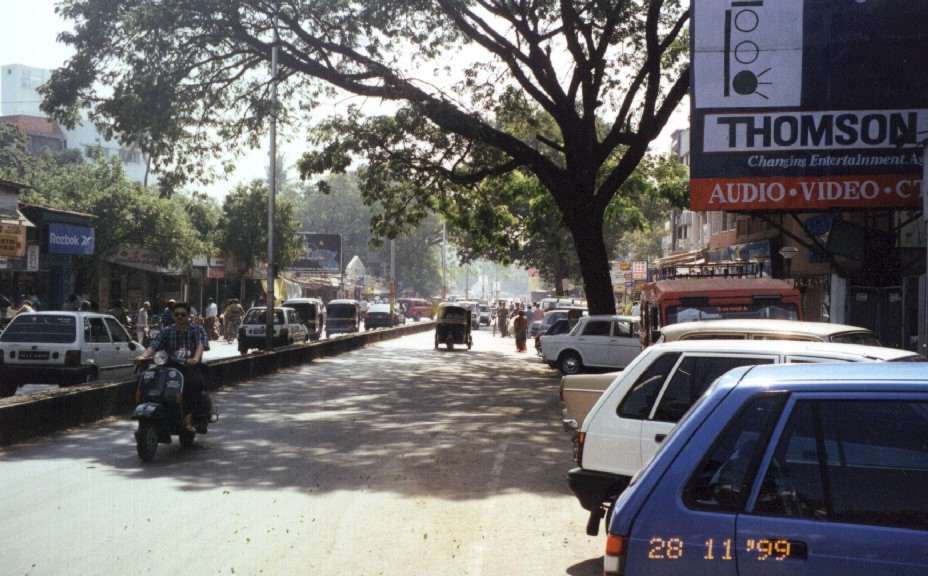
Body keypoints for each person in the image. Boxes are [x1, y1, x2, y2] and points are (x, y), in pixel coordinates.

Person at [135, 302, 208, 433]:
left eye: (183, 314)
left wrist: (195, 358)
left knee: (194, 383)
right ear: (173, 316)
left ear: (188, 316)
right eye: (177, 314)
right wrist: (143, 356)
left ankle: (188, 418)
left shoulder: (197, 330)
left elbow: (200, 345)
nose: (179, 317)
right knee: (146, 378)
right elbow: (154, 345)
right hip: (170, 366)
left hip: (189, 366)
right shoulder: (167, 331)